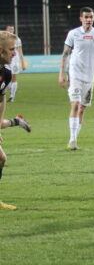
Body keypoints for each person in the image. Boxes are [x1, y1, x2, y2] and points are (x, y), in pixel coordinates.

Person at [58, 7, 94, 151]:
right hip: (75, 74)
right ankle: (72, 140)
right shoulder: (73, 33)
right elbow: (65, 55)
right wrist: (61, 73)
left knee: (82, 109)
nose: (89, 19)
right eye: (86, 17)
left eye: (91, 17)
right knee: (75, 105)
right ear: (81, 18)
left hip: (89, 76)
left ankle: (74, 138)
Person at [0, 31, 32, 210]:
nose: (15, 53)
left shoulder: (5, 73)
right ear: (1, 50)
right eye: (12, 49)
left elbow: (1, 99)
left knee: (1, 159)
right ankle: (17, 121)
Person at [5, 25, 26, 102]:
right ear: (6, 30)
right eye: (10, 29)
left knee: (13, 77)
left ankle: (12, 97)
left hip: (14, 60)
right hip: (6, 59)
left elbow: (20, 51)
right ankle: (10, 87)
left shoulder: (17, 39)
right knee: (6, 76)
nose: (11, 30)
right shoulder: (3, 38)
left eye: (12, 29)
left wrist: (23, 62)